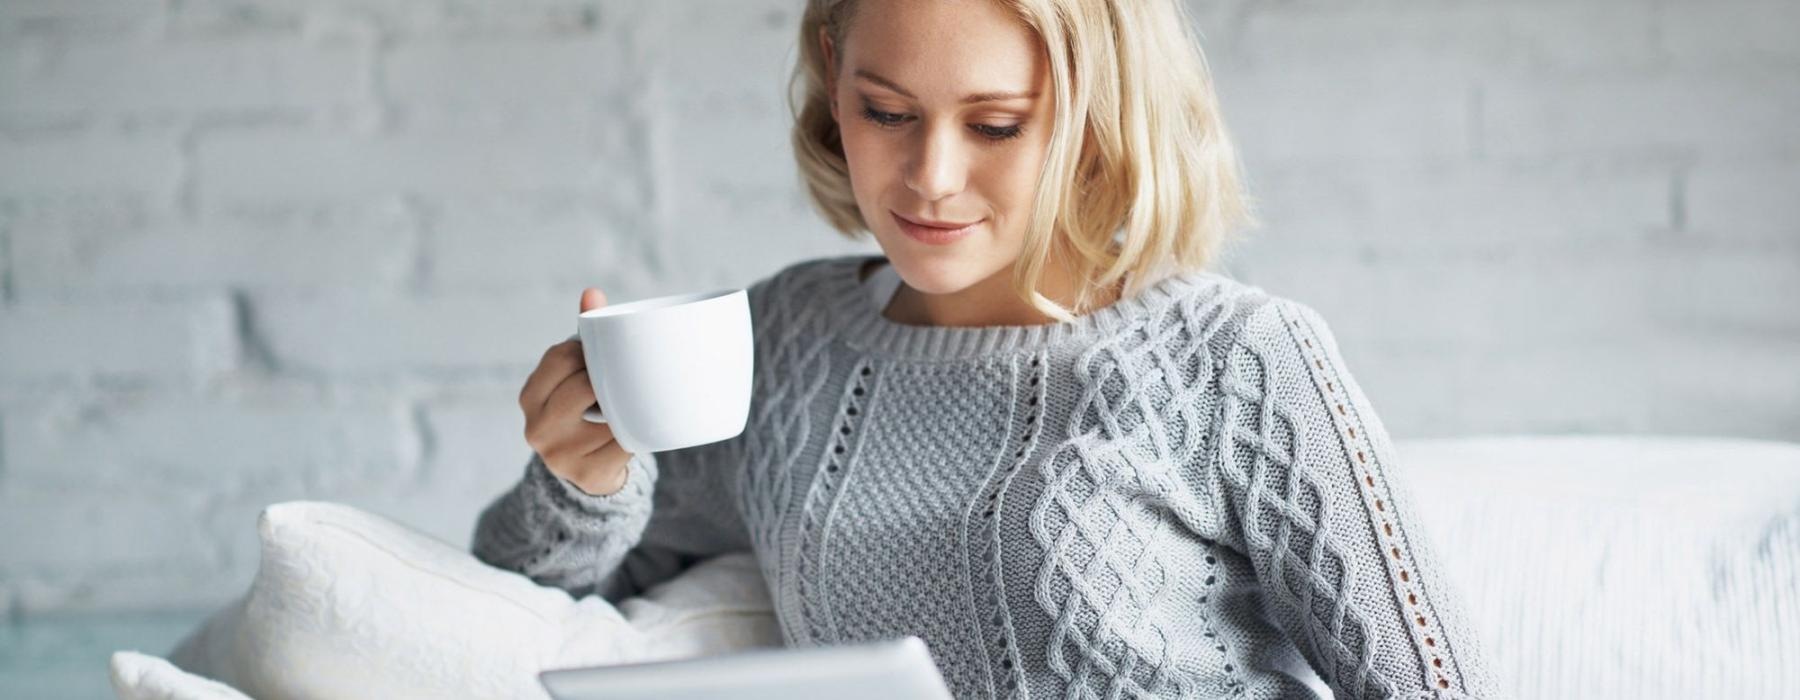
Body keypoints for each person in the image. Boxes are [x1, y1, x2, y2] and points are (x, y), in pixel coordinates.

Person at [474, 0, 1499, 697]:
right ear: (833, 78)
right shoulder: (783, 344)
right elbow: (521, 606)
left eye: (997, 125)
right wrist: (583, 478)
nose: (929, 176)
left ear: (1099, 117)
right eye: (888, 112)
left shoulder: (1237, 359)